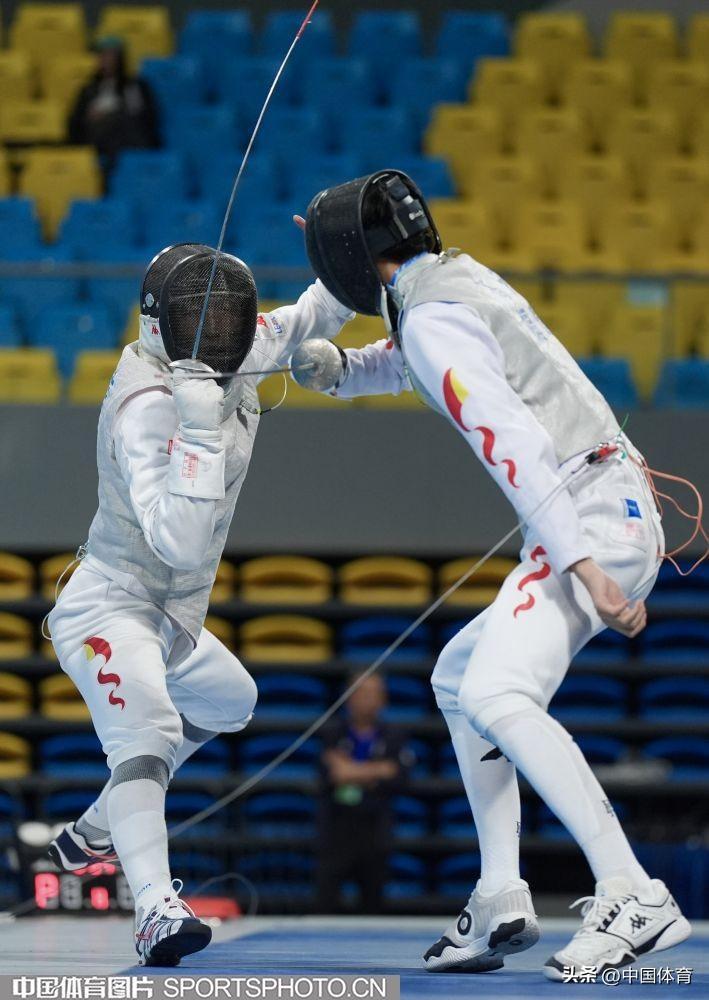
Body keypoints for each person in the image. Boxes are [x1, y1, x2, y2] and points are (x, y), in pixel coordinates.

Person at [289, 172, 692, 980]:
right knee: (458, 677)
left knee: (496, 693)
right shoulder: (449, 286)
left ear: (351, 259)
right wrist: (340, 370)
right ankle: (500, 892)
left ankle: (632, 893)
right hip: (602, 500)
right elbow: (425, 365)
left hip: (585, 513)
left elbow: (510, 440)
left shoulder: (433, 316)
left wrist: (582, 565)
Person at [46, 243, 353, 966]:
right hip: (110, 607)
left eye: (226, 314)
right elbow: (179, 546)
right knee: (149, 736)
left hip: (173, 621)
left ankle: (100, 823)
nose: (217, 328)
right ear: (159, 324)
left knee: (231, 701)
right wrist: (200, 428)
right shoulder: (147, 406)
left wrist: (351, 244)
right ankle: (155, 908)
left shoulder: (237, 348)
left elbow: (316, 310)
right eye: (200, 316)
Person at [317, 673, 413, 914]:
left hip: (375, 827)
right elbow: (330, 775)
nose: (367, 699)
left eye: (374, 693)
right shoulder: (332, 733)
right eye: (361, 693)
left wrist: (350, 770)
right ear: (348, 698)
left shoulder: (394, 736)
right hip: (337, 826)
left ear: (383, 699)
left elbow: (398, 775)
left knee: (373, 901)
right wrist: (377, 771)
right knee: (326, 900)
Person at [68, 36, 160, 171]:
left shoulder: (134, 86)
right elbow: (76, 121)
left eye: (111, 56)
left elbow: (140, 115)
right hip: (96, 139)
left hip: (127, 137)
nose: (106, 60)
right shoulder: (88, 90)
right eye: (102, 55)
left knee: (123, 126)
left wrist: (110, 114)